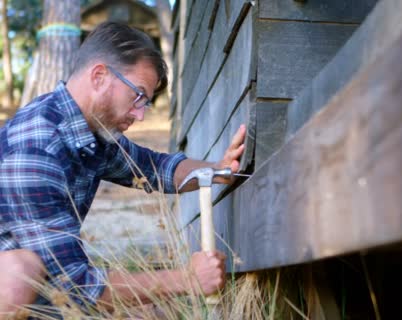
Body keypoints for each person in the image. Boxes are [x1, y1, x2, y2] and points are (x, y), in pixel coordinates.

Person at [0, 21, 244, 314]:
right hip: (21, 283)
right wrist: (187, 279)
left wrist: (217, 170)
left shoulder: (90, 130)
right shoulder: (35, 150)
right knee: (17, 273)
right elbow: (79, 287)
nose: (140, 115)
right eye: (138, 96)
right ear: (100, 76)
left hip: (46, 288)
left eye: (146, 103)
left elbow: (154, 168)